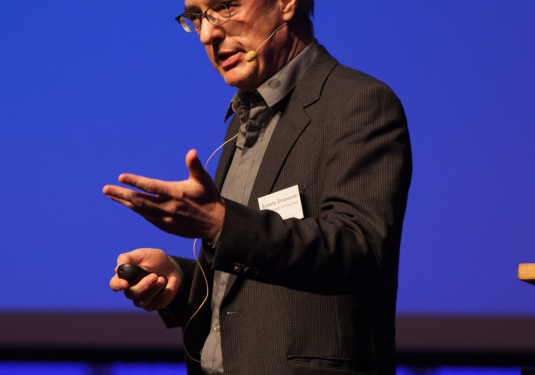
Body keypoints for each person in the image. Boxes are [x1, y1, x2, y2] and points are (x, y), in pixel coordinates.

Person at [103, 0, 412, 374]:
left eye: (224, 6)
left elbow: (357, 250)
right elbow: (257, 286)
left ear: (286, 4)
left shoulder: (358, 102)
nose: (207, 33)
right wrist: (182, 281)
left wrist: (220, 224)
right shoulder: (243, 119)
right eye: (197, 16)